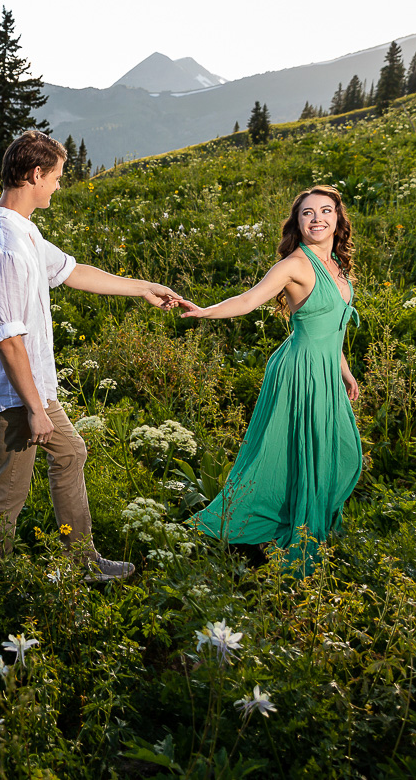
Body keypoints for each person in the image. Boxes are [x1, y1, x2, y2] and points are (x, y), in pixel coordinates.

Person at [0, 130, 180, 579]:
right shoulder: (4, 246)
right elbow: (7, 338)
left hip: (32, 388)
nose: (60, 186)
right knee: (8, 489)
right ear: (35, 174)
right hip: (16, 395)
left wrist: (143, 288)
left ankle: (83, 562)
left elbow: (71, 270)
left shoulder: (19, 229)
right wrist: (35, 408)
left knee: (69, 453)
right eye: (57, 177)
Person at [174, 185, 363, 571]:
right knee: (287, 452)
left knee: (338, 450)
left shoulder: (338, 267)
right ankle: (246, 527)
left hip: (326, 370)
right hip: (299, 370)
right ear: (297, 222)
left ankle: (305, 520)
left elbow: (332, 327)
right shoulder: (295, 264)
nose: (317, 219)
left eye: (326, 211)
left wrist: (344, 371)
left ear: (338, 221)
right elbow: (247, 300)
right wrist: (204, 311)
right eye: (307, 213)